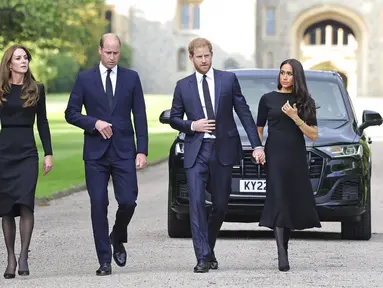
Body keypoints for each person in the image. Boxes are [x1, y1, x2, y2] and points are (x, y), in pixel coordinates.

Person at [169, 38, 265, 273]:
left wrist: (257, 145)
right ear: (191, 58)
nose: (204, 61)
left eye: (207, 56)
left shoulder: (227, 80)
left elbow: (243, 112)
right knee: (197, 204)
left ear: (212, 55)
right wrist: (193, 125)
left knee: (221, 205)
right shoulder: (183, 86)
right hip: (196, 151)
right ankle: (202, 257)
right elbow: (173, 118)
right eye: (199, 57)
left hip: (222, 150)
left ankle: (208, 247)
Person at [65, 33, 148, 276]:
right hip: (95, 153)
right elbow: (71, 113)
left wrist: (142, 150)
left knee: (128, 201)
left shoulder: (131, 78)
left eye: (116, 53)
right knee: (98, 203)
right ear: (100, 50)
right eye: (108, 52)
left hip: (123, 151)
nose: (112, 57)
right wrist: (94, 123)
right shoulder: (84, 79)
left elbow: (140, 116)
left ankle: (117, 235)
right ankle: (104, 260)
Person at [256, 58, 322, 272]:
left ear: (297, 77)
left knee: (290, 200)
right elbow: (258, 129)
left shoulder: (305, 102)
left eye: (289, 73)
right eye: (282, 72)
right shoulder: (267, 99)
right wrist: (260, 149)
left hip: (295, 155)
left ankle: (284, 247)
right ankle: (281, 254)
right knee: (278, 198)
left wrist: (296, 117)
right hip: (274, 154)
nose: (284, 77)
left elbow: (313, 135)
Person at [0, 45, 53, 279]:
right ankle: (10, 257)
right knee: (7, 209)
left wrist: (48, 153)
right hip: (4, 152)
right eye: (18, 58)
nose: (23, 61)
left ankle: (23, 255)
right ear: (9, 63)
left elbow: (43, 122)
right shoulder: (1, 89)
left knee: (26, 203)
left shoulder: (37, 89)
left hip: (27, 153)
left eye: (26, 58)